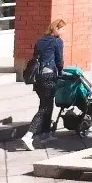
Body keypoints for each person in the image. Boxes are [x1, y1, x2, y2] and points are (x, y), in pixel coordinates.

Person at [20, 19, 65, 150]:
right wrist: (61, 72)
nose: (63, 32)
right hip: (49, 76)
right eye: (62, 29)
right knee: (45, 108)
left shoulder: (40, 40)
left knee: (46, 105)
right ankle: (28, 136)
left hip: (38, 77)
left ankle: (46, 134)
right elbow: (59, 60)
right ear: (56, 29)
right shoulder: (57, 41)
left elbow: (36, 56)